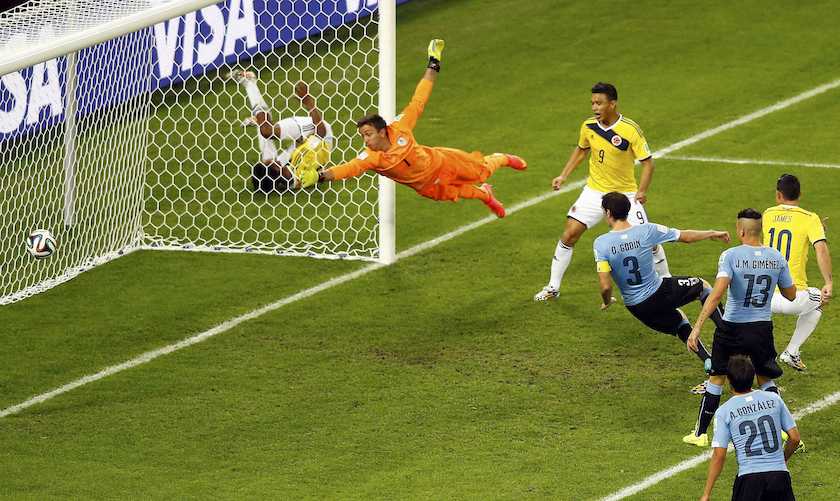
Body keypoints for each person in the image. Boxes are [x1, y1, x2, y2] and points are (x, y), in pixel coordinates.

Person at [304, 39, 528, 218]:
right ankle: (486, 196)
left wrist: (433, 63)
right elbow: (348, 168)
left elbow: (418, 101)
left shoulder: (400, 127)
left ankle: (502, 158)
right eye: (363, 136)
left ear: (382, 131)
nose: (366, 140)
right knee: (460, 192)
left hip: (443, 162)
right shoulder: (372, 158)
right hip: (427, 186)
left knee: (481, 171)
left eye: (368, 134)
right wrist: (320, 176)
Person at [534, 82, 669, 301]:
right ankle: (553, 287)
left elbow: (648, 164)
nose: (594, 107)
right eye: (593, 103)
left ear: (612, 104)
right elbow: (581, 150)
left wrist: (642, 191)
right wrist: (564, 175)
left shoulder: (630, 129)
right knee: (569, 234)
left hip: (626, 194)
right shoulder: (588, 126)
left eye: (599, 103)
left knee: (650, 240)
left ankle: (666, 279)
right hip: (595, 191)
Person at [594, 192, 730, 392]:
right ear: (628, 210)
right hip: (659, 292)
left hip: (637, 307)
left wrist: (607, 301)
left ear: (608, 213)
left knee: (679, 322)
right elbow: (685, 236)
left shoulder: (601, 243)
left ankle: (711, 364)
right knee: (702, 286)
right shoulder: (646, 231)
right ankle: (731, 334)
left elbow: (605, 286)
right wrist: (711, 233)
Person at [685, 209, 797, 447]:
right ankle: (784, 430)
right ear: (761, 230)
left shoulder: (730, 256)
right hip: (761, 327)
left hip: (732, 327)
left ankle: (700, 434)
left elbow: (716, 295)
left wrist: (696, 328)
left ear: (742, 230)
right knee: (765, 377)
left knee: (717, 377)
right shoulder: (776, 257)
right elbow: (790, 295)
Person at [699, 355, 800, 501]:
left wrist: (706, 494)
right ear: (753, 376)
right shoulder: (774, 399)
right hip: (779, 478)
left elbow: (719, 456)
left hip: (749, 481)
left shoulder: (725, 411)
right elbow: (795, 438)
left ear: (729, 380)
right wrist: (781, 460)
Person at [763, 173, 832, 370]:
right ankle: (791, 351)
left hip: (764, 296)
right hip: (792, 297)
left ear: (778, 195)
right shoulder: (810, 219)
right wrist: (828, 282)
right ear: (800, 194)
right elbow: (821, 249)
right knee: (820, 299)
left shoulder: (768, 214)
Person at [228, 70, 333, 193]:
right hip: (319, 132)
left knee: (267, 147)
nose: (271, 161)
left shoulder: (288, 181)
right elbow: (321, 132)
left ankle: (260, 122)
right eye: (269, 163)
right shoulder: (303, 161)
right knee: (267, 131)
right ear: (277, 168)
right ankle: (249, 82)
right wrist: (309, 103)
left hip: (299, 152)